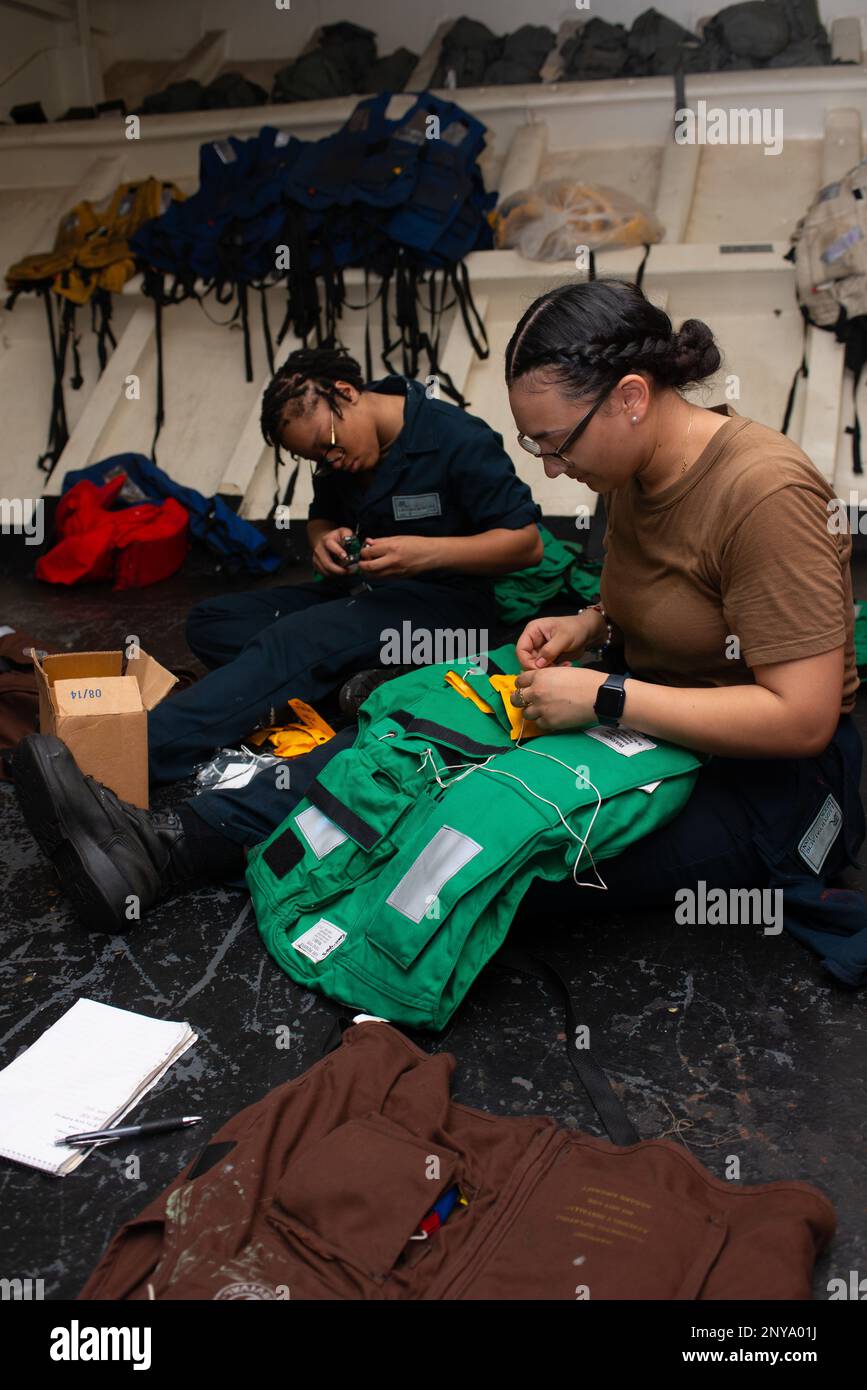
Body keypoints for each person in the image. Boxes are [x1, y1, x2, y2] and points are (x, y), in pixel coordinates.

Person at [12, 280, 867, 974]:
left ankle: (278, 867)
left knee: (473, 849)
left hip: (754, 779)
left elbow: (800, 717)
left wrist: (606, 698)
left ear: (631, 398)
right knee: (400, 738)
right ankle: (166, 844)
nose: (549, 466)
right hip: (638, 706)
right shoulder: (630, 469)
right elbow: (661, 589)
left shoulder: (764, 493)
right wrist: (586, 622)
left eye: (553, 443)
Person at [146, 345, 542, 783]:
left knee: (293, 641)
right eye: (317, 459)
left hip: (449, 613)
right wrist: (321, 540)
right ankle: (362, 686)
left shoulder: (456, 437)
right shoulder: (340, 454)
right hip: (366, 595)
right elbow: (323, 517)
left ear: (347, 392)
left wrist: (424, 554)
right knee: (211, 621)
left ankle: (144, 748)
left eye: (327, 446)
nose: (330, 461)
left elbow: (526, 545)